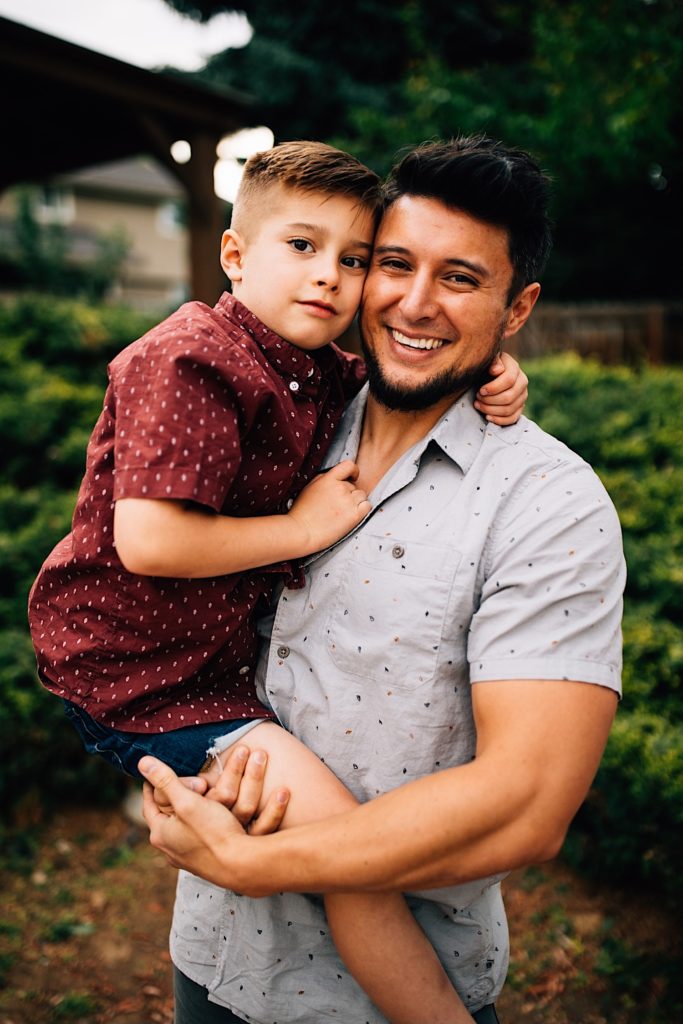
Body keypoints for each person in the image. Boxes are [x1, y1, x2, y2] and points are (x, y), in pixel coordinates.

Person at [29, 140, 528, 1024]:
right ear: (234, 254)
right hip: (145, 677)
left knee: (341, 854)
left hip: (204, 665)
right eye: (301, 247)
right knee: (349, 855)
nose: (330, 278)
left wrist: (489, 369)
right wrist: (301, 530)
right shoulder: (188, 357)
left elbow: (414, 369)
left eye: (353, 258)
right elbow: (145, 541)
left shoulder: (315, 366)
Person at [140, 134, 626, 1024]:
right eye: (392, 264)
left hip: (390, 995)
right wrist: (174, 761)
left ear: (516, 309)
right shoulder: (278, 418)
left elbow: (524, 804)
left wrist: (254, 860)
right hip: (213, 955)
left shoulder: (548, 506)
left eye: (459, 278)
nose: (412, 301)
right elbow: (160, 594)